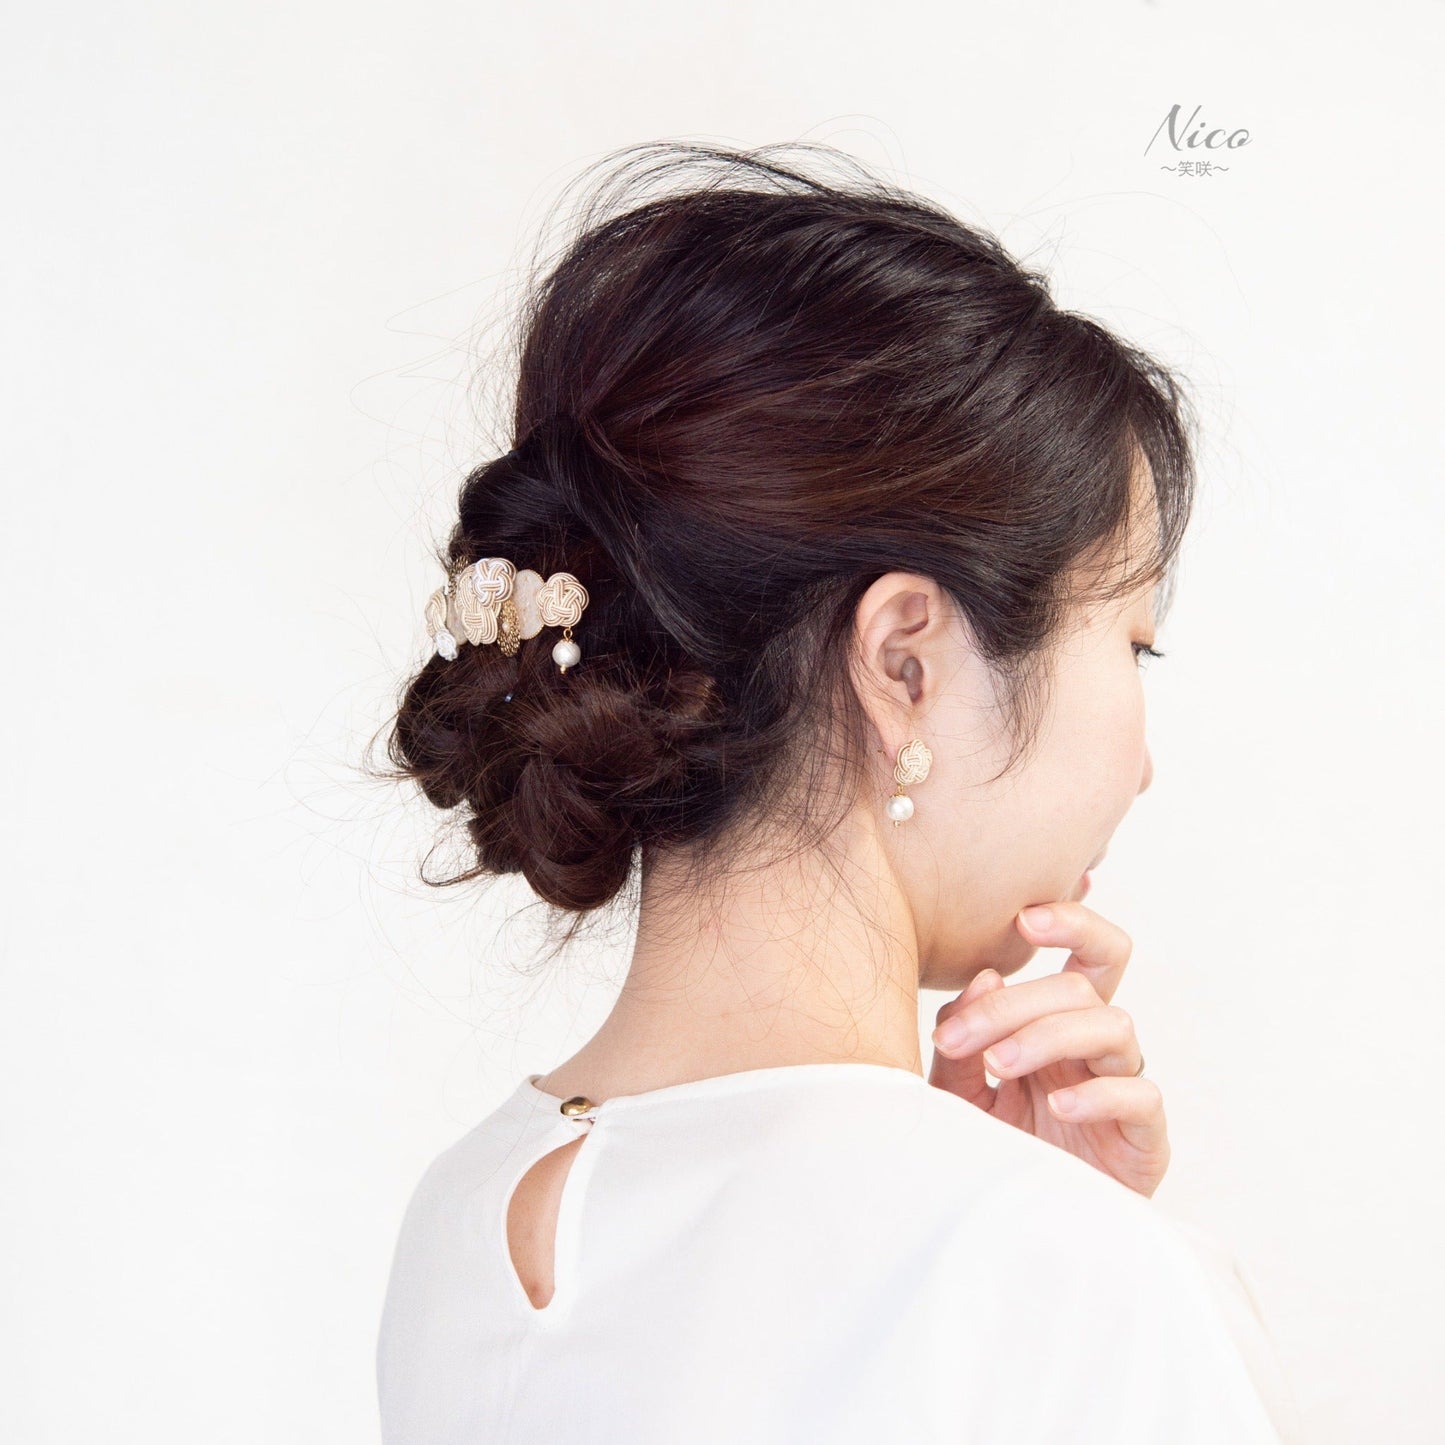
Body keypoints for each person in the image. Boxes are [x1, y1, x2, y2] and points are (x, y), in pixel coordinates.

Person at [371, 141, 1297, 1443]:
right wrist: (1065, 1266)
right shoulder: (1060, 1276)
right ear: (906, 662)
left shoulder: (463, 1218)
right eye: (1130, 643)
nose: (1141, 762)